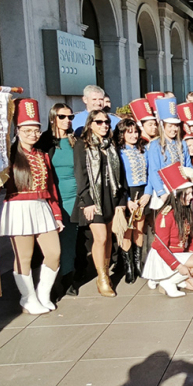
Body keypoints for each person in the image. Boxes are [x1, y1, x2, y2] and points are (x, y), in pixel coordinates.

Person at [3, 99, 64, 314]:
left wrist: (56, 215)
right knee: (24, 257)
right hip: (18, 209)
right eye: (27, 130)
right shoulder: (8, 156)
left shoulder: (43, 155)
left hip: (42, 208)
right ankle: (27, 298)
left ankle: (43, 293)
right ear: (17, 131)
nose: (33, 134)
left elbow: (51, 189)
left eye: (36, 130)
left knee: (54, 252)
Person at [72, 109, 128, 297]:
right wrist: (86, 201)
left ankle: (105, 271)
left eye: (106, 122)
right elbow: (81, 175)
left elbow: (120, 174)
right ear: (90, 124)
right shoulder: (82, 145)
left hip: (111, 196)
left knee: (109, 238)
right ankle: (102, 277)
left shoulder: (111, 144)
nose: (104, 125)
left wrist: (121, 199)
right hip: (93, 198)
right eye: (99, 122)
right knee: (101, 237)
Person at [142, 163, 193, 297]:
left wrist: (191, 254)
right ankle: (169, 281)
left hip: (181, 253)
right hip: (166, 255)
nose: (191, 197)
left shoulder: (187, 210)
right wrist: (178, 266)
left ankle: (169, 280)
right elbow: (161, 247)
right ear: (178, 195)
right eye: (188, 194)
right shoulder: (166, 215)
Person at [35, 103, 80, 296]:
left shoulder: (75, 141)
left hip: (72, 198)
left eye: (70, 117)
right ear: (53, 117)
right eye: (62, 116)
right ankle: (50, 282)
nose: (67, 120)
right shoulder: (44, 141)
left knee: (70, 240)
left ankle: (68, 279)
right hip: (50, 198)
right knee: (51, 243)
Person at [115, 119, 150, 283]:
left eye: (135, 131)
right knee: (127, 230)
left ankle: (138, 264)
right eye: (129, 132)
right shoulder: (118, 152)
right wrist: (127, 199)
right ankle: (128, 267)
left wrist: (148, 193)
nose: (134, 135)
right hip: (126, 193)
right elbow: (118, 178)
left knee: (139, 228)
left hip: (143, 192)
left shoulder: (144, 149)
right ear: (122, 133)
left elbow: (152, 172)